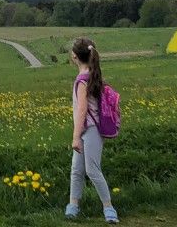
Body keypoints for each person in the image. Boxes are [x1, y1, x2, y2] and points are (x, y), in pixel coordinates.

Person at [65, 37, 119, 224]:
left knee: (92, 170)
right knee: (76, 169)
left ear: (74, 56)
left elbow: (82, 110)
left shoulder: (82, 80)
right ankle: (73, 205)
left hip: (89, 130)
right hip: (89, 130)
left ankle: (108, 208)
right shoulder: (93, 76)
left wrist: (75, 137)